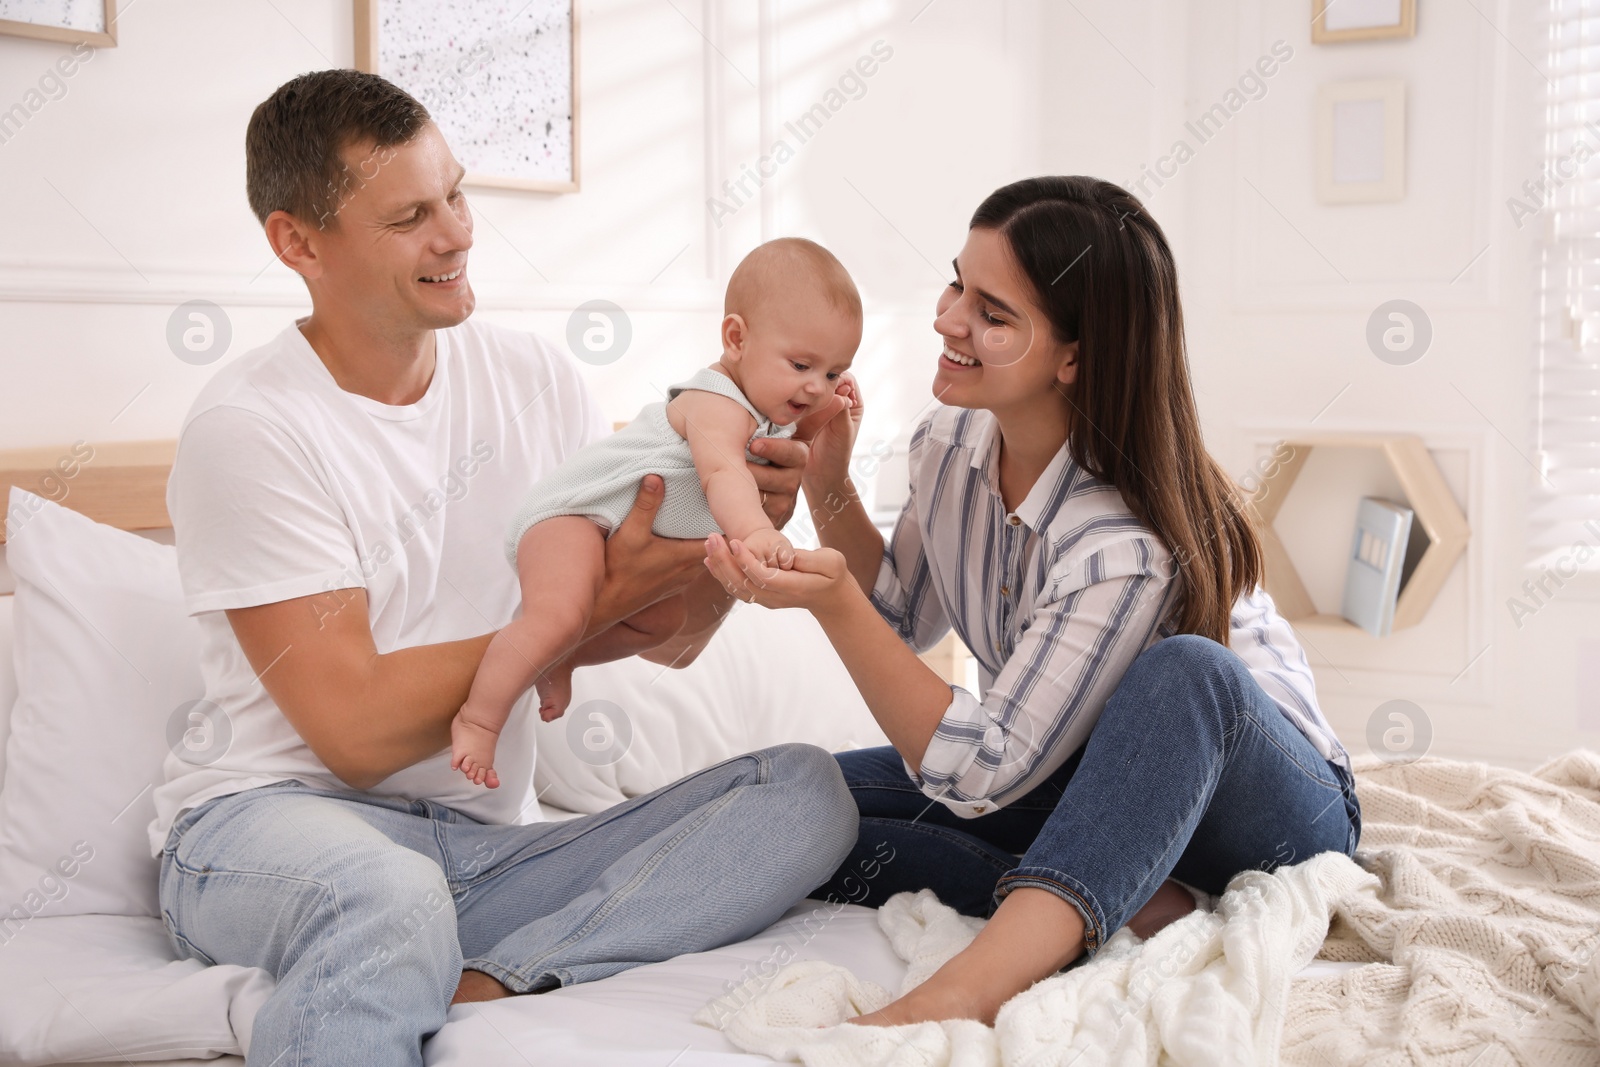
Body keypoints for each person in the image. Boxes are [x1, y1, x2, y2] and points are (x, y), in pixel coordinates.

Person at [148, 69, 858, 1065]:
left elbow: (673, 643)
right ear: (297, 244)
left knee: (804, 793)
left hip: (479, 847)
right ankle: (409, 948)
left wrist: (732, 532)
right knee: (387, 895)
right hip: (270, 829)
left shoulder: (534, 379)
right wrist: (584, 608)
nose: (457, 233)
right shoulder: (251, 426)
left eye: (456, 193)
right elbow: (352, 735)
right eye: (410, 216)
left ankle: (483, 972)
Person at [705, 175, 1362, 1026]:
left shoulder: (1120, 546)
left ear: (1074, 355)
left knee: (1185, 670)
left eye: (992, 311)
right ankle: (1127, 893)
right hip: (1078, 777)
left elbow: (976, 774)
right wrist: (830, 484)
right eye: (956, 285)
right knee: (806, 811)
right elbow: (903, 616)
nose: (947, 319)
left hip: (1261, 814)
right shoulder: (947, 446)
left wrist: (831, 605)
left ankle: (962, 991)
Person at [452, 238, 862, 787]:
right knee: (556, 616)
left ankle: (562, 660)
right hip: (571, 519)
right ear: (736, 339)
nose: (816, 386)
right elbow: (724, 474)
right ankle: (478, 719)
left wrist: (825, 421)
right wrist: (758, 531)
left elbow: (782, 455)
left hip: (609, 533)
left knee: (662, 620)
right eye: (802, 365)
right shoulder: (716, 400)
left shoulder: (769, 415)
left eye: (834, 373)